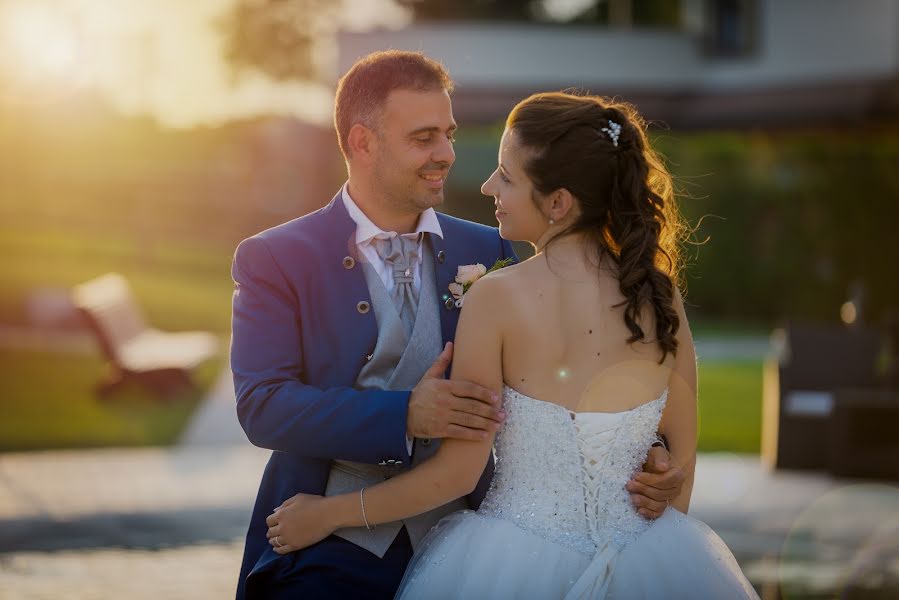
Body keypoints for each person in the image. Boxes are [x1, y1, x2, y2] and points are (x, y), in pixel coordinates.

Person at [265, 91, 759, 599]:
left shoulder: (496, 298)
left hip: (512, 564)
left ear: (558, 203)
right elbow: (680, 467)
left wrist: (329, 514)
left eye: (506, 174)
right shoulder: (661, 297)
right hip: (652, 562)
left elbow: (458, 474)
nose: (486, 185)